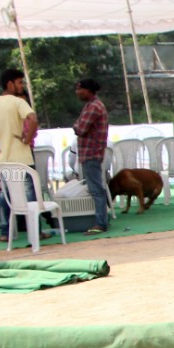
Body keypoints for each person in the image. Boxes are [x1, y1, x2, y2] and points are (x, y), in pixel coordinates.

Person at [0, 68, 41, 242]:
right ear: (10, 83)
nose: (21, 86)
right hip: (22, 156)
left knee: (6, 195)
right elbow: (34, 119)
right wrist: (27, 139)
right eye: (19, 82)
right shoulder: (18, 102)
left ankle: (5, 232)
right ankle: (34, 231)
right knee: (31, 194)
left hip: (4, 158)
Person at [72, 78, 111, 235]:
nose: (77, 92)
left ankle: (101, 222)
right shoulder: (91, 105)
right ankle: (102, 219)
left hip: (91, 153)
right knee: (97, 188)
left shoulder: (93, 107)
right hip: (91, 153)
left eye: (79, 89)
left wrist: (75, 126)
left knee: (96, 189)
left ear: (87, 90)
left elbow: (80, 128)